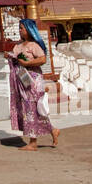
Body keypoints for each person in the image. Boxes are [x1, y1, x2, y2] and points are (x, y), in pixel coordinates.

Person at [5, 18, 60, 150]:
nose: (20, 30)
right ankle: (51, 130)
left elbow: (42, 59)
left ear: (29, 30)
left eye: (22, 28)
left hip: (33, 79)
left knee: (34, 108)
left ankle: (33, 141)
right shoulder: (18, 46)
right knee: (28, 109)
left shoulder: (34, 46)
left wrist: (27, 63)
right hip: (22, 78)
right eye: (19, 28)